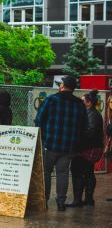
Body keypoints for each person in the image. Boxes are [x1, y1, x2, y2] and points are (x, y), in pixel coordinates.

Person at [35, 76, 88, 211]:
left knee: (46, 173)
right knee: (63, 173)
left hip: (50, 144)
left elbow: (38, 120)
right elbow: (85, 126)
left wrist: (42, 135)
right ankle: (60, 202)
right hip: (69, 147)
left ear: (62, 85)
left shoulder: (51, 100)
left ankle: (44, 201)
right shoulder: (79, 104)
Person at [66, 90, 103, 207]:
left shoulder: (92, 114)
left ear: (88, 102)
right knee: (88, 172)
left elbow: (90, 132)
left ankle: (79, 200)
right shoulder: (90, 113)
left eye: (82, 100)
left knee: (78, 171)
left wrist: (76, 136)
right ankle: (88, 199)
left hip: (87, 148)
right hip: (89, 147)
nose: (80, 102)